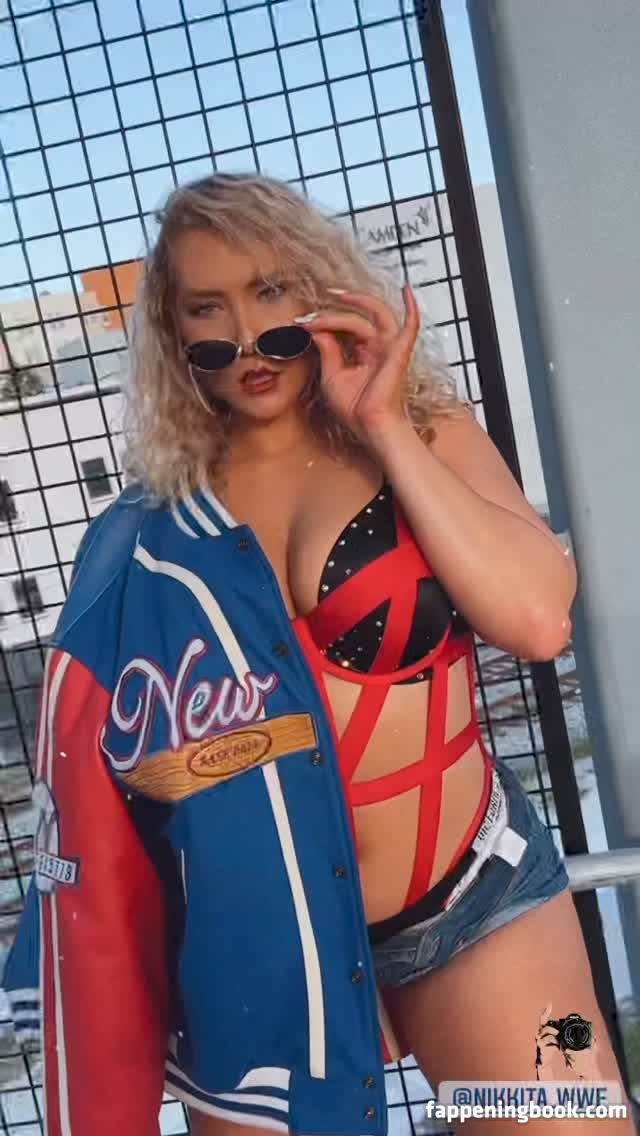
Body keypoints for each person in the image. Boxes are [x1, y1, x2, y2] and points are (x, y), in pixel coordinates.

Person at [2, 173, 633, 1136]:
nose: (246, 337)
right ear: (172, 332)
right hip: (258, 961)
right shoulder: (152, 531)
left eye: (269, 292)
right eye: (206, 308)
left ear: (320, 287)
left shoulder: (423, 427)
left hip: (467, 906)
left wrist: (382, 423)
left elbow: (538, 620)